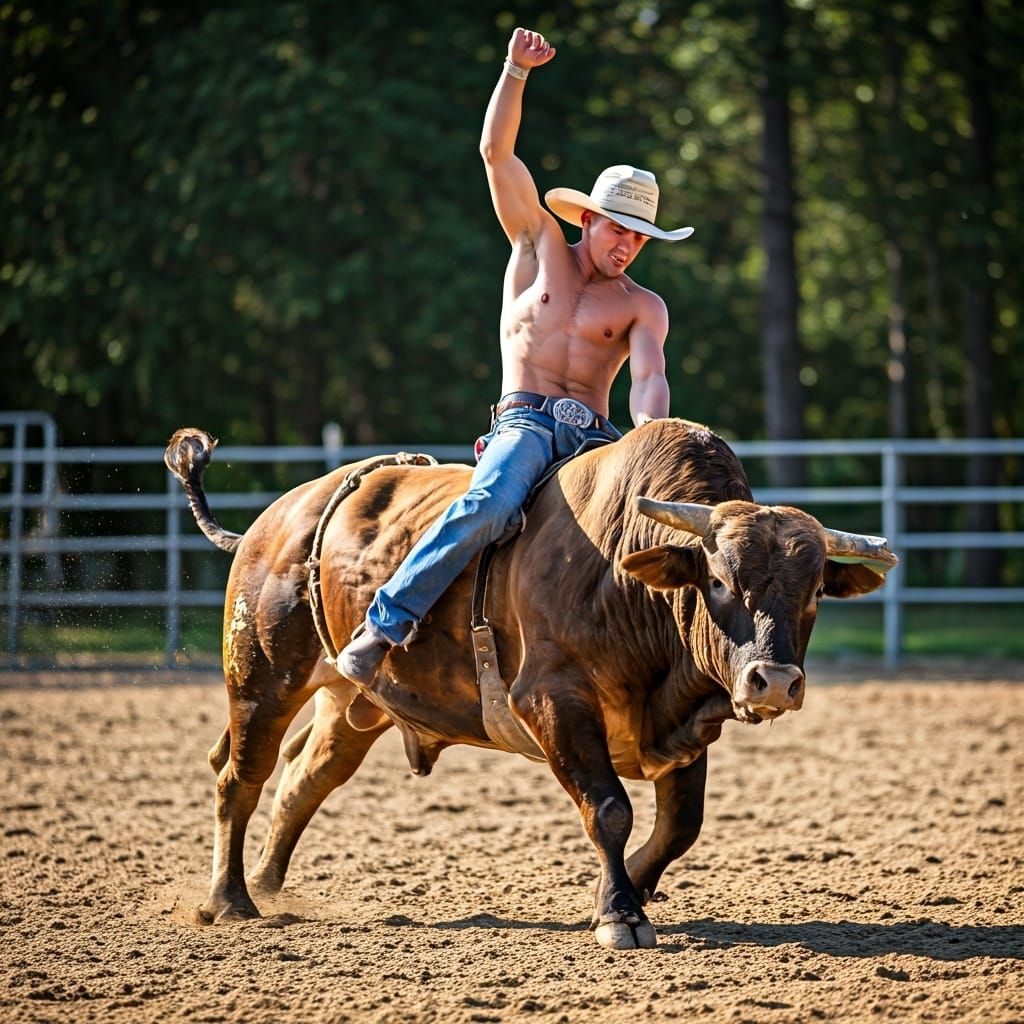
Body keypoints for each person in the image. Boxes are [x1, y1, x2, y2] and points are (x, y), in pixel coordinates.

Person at [337, 26, 693, 685]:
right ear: (587, 218)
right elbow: (495, 153)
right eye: (619, 228)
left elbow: (650, 378)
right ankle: (384, 625)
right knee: (493, 503)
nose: (627, 246)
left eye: (640, 237)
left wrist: (651, 440)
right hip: (526, 423)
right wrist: (516, 70)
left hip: (596, 440)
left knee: (644, 537)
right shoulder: (538, 244)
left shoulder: (645, 306)